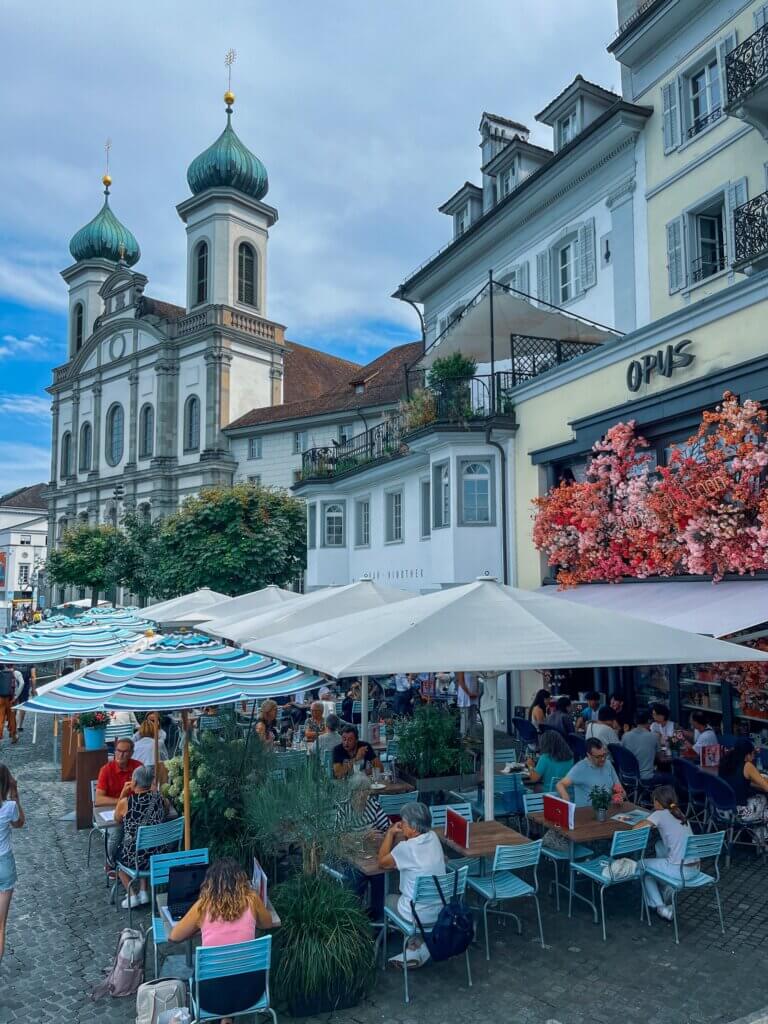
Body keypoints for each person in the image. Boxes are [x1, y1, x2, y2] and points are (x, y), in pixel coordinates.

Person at [170, 857, 275, 1022]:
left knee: (217, 977)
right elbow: (267, 924)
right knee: (233, 970)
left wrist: (200, 929)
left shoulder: (202, 906)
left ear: (209, 883)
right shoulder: (252, 900)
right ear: (241, 881)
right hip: (251, 993)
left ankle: (225, 1018)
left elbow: (174, 936)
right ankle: (227, 1019)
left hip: (210, 999)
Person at [378, 801, 446, 968]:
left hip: (416, 916)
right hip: (440, 911)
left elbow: (382, 862)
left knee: (387, 899)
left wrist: (390, 833)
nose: (402, 826)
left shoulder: (406, 848)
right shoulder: (434, 837)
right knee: (415, 899)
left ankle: (409, 942)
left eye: (404, 824)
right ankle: (416, 945)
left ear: (414, 828)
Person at [631, 785, 698, 921]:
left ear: (657, 801)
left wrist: (650, 818)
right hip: (695, 868)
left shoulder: (659, 814)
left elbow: (635, 828)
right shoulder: (679, 813)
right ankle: (666, 889)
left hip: (679, 870)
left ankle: (661, 908)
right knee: (659, 845)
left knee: (642, 866)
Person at [113, 764, 169, 908]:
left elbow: (117, 819)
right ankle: (144, 892)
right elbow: (167, 812)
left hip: (136, 859)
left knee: (115, 855)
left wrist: (122, 794)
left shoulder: (126, 803)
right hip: (157, 854)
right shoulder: (161, 799)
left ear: (135, 782)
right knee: (144, 845)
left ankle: (132, 895)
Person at [718, 740, 768, 841]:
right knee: (763, 799)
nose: (754, 757)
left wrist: (755, 783)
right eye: (753, 754)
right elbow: (766, 787)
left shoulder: (726, 762)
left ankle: (755, 835)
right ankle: (760, 837)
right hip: (739, 813)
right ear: (747, 755)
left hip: (722, 809)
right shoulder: (747, 766)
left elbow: (738, 782)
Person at [0, 765, 24, 964]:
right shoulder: (9, 808)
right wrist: (15, 793)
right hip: (5, 864)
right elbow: (19, 823)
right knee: (0, 925)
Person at [557, 739, 623, 807]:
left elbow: (621, 790)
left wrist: (619, 796)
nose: (603, 759)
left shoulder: (608, 764)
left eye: (604, 755)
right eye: (598, 757)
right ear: (589, 755)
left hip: (608, 809)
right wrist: (565, 797)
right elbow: (560, 784)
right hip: (587, 812)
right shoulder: (580, 768)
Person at [622, 709, 671, 785]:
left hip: (627, 777)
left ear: (635, 721)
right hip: (646, 778)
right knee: (671, 778)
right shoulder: (654, 736)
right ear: (649, 721)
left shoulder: (625, 736)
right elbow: (661, 759)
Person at [95, 738, 142, 807]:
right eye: (118, 751)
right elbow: (98, 800)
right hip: (113, 808)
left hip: (135, 807)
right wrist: (124, 802)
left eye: (125, 752)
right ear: (115, 751)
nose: (120, 755)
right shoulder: (106, 769)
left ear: (131, 753)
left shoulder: (138, 767)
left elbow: (148, 790)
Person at [526, 729, 574, 793]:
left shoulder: (545, 758)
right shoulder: (570, 757)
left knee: (533, 787)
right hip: (566, 793)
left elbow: (533, 779)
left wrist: (530, 766)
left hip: (550, 793)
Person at [12, 665, 34, 733]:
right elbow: (33, 677)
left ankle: (13, 724)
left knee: (14, 706)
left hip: (14, 687)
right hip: (25, 687)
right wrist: (33, 689)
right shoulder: (30, 663)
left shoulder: (15, 661)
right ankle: (20, 726)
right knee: (23, 705)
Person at [456, 672, 479, 736]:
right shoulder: (462, 667)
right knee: (465, 717)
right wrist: (469, 693)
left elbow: (476, 680)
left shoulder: (474, 668)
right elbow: (461, 682)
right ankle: (464, 736)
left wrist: (476, 691)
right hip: (465, 695)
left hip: (473, 694)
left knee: (473, 717)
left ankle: (473, 736)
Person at [0, 665, 18, 745]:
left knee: (0, 720)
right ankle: (13, 736)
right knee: (12, 718)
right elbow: (18, 685)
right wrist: (15, 696)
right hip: (10, 699)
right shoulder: (14, 673)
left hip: (0, 698)